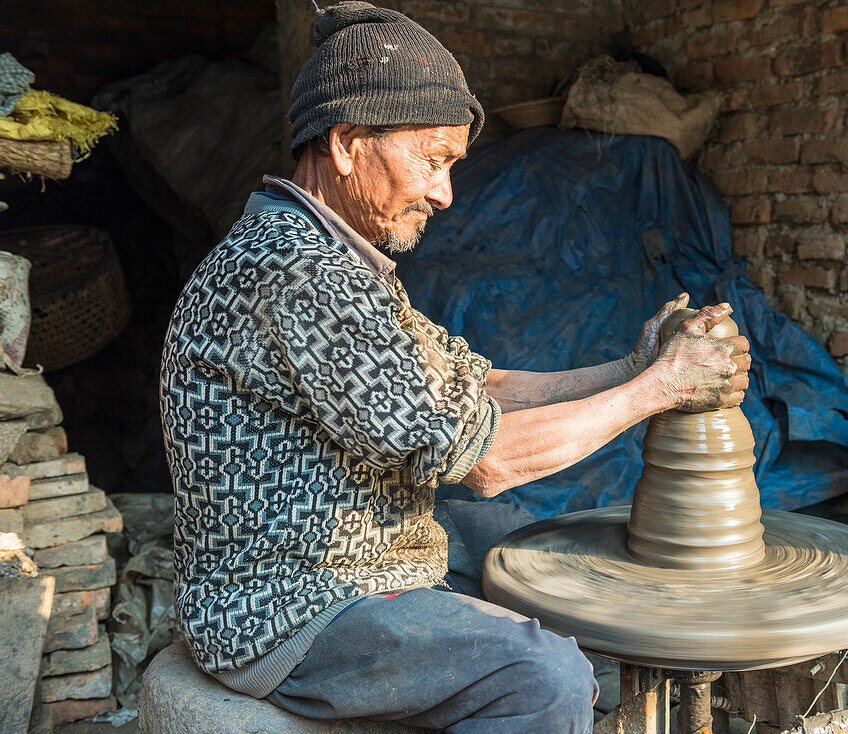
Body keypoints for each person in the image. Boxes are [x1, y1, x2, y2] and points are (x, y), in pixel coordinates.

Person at [160, 3, 751, 732]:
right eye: (432, 160)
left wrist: (635, 364)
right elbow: (486, 460)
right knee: (546, 680)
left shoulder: (341, 259)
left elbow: (481, 386)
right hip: (289, 605)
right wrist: (660, 389)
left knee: (525, 541)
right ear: (346, 144)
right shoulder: (297, 273)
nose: (444, 192)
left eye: (451, 165)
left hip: (358, 558)